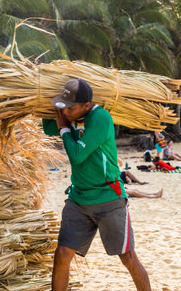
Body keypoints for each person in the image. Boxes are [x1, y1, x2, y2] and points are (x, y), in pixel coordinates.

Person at [43, 79, 151, 291]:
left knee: (128, 257)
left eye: (71, 108)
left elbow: (77, 155)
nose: (66, 113)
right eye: (63, 108)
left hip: (108, 198)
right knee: (62, 254)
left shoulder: (101, 118)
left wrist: (64, 130)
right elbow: (48, 128)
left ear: (86, 104)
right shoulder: (70, 115)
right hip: (79, 199)